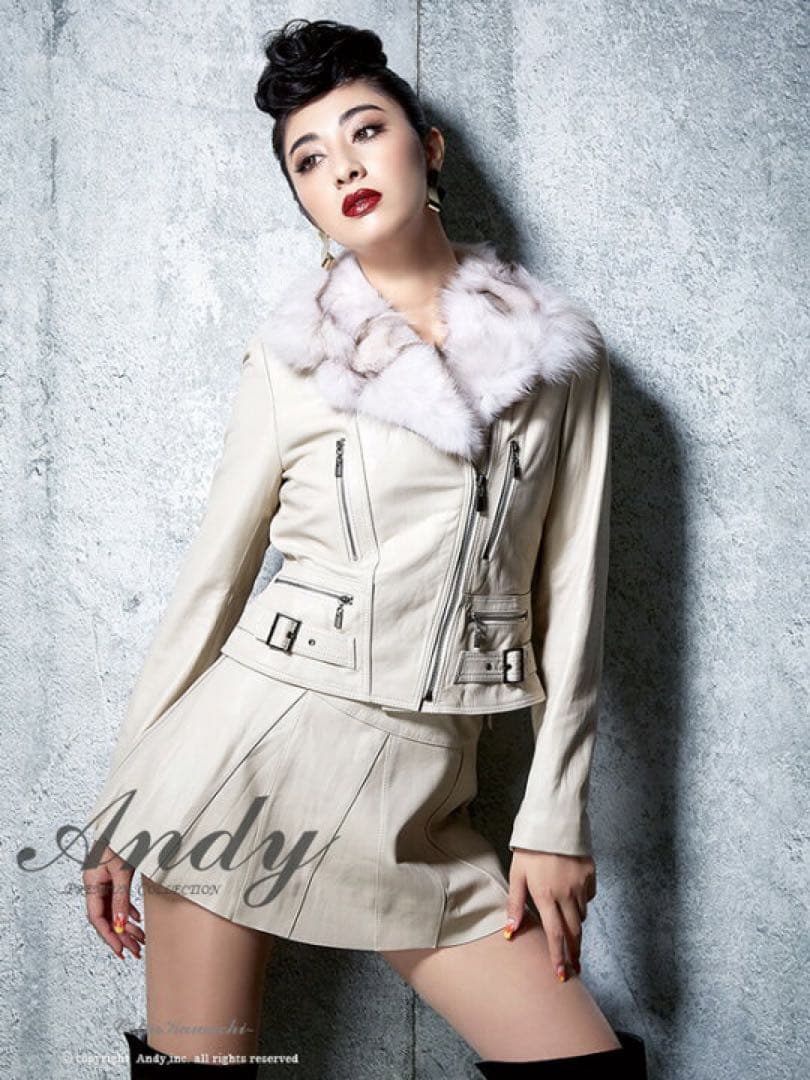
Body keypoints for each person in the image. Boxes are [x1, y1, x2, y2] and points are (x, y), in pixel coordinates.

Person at [82, 18, 648, 1079]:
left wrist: (555, 816)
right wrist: (124, 806)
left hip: (427, 802)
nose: (341, 166)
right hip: (238, 779)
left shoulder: (560, 355)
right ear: (301, 199)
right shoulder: (291, 359)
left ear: (428, 147)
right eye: (309, 158)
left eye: (366, 131)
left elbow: (574, 592)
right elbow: (212, 583)